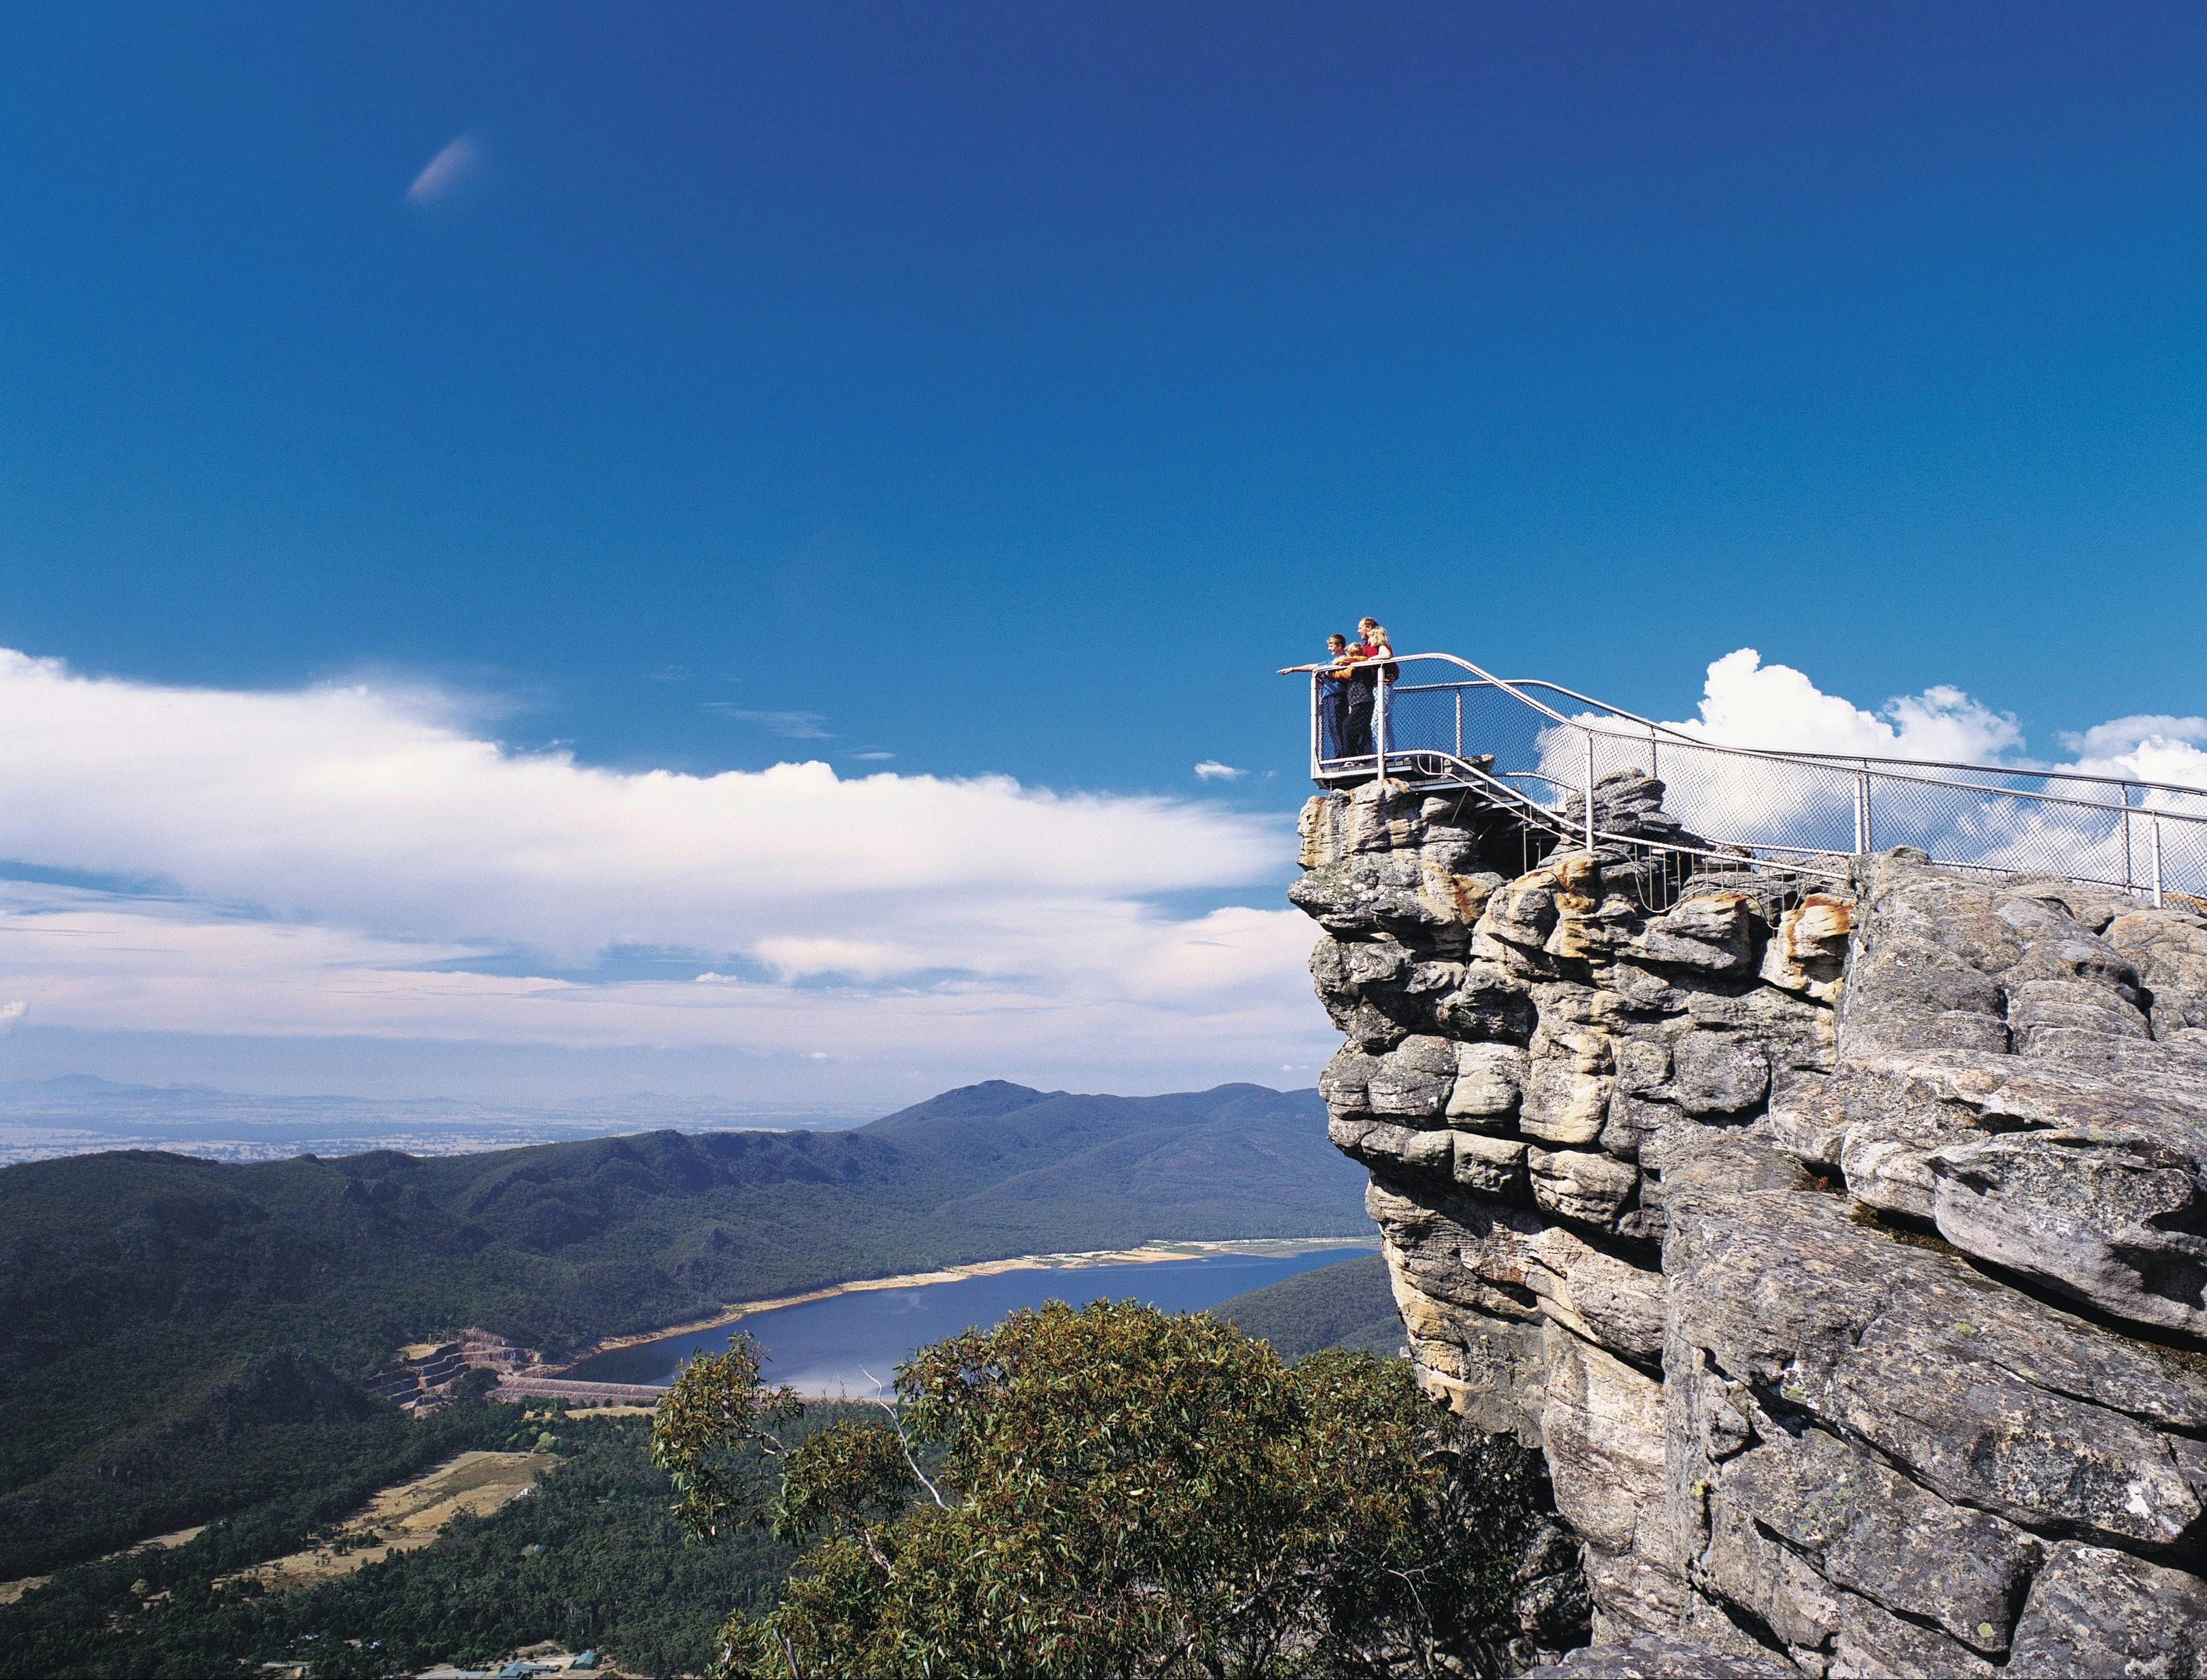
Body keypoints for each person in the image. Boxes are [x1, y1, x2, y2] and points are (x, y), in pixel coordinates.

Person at [1340, 619, 1394, 759]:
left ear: (1369, 628)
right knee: (1368, 723)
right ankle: (1370, 754)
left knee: (1379, 720)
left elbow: (1388, 658)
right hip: (1368, 690)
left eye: (1360, 628)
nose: (1358, 631)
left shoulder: (1380, 644)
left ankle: (1385, 756)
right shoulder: (1364, 648)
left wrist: (1391, 674)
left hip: (1381, 686)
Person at [1318, 632, 1351, 758]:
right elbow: (1314, 666)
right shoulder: (1330, 661)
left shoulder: (1344, 659)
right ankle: (1339, 754)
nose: (1329, 648)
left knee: (1338, 724)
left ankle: (1342, 755)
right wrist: (1293, 669)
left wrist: (1329, 672)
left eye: (1331, 645)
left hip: (1337, 695)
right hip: (1328, 697)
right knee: (1332, 726)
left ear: (1339, 646)